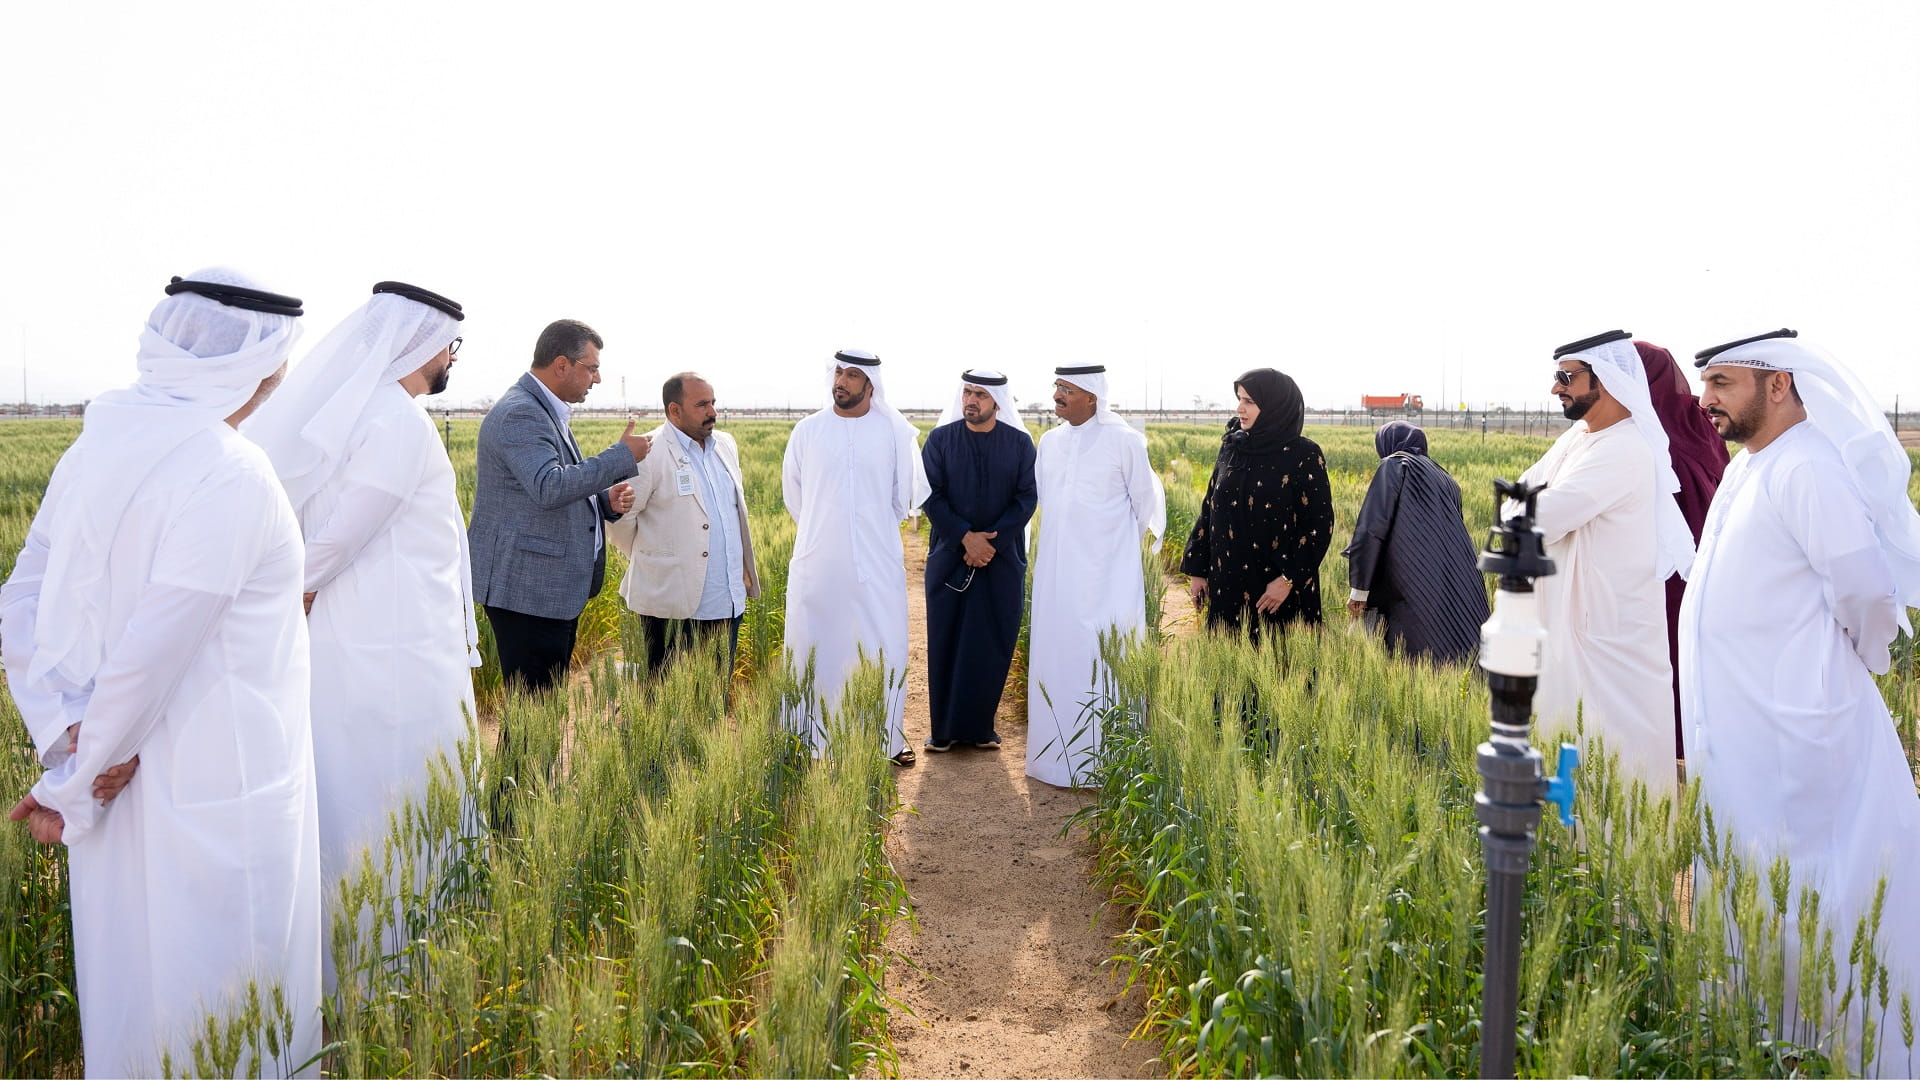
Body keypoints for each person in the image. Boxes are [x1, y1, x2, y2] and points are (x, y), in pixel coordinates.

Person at [1, 270, 323, 1076]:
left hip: (111, 774)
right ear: (262, 367)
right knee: (225, 999)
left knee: (133, 993)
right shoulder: (233, 472)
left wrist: (65, 741)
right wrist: (73, 783)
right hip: (216, 784)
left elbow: (21, 603)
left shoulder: (96, 447)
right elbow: (154, 652)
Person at [1684, 329, 1920, 1074]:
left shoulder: (1811, 465)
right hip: (1752, 735)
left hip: (1805, 734)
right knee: (1763, 901)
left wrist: (1825, 672)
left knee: (1823, 904)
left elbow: (1868, 595)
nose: (1706, 399)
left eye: (1722, 383)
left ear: (1777, 384)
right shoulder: (1751, 466)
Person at [242, 280, 479, 990]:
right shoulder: (396, 421)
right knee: (397, 783)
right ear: (420, 343)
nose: (452, 362)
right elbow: (341, 533)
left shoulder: (359, 411)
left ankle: (365, 944)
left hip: (370, 634)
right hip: (396, 647)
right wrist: (296, 589)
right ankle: (395, 953)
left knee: (363, 777)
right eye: (451, 347)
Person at [1515, 330, 1694, 796]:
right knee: (1571, 749)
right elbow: (1515, 502)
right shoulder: (1580, 439)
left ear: (1608, 380)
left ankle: (1622, 863)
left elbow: (1537, 516)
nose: (1556, 388)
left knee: (1615, 760)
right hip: (1574, 627)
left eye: (1566, 377)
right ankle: (1576, 857)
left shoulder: (1625, 448)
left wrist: (1527, 509)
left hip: (1609, 637)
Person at [469, 318, 647, 693]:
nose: (596, 379)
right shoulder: (523, 412)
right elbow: (548, 487)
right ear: (562, 364)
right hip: (528, 591)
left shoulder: (543, 409)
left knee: (540, 715)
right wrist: (619, 457)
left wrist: (603, 502)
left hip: (543, 590)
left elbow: (549, 484)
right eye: (592, 368)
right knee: (533, 718)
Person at [781, 349, 929, 764]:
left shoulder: (894, 432)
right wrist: (826, 532)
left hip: (876, 563)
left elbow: (905, 498)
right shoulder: (807, 431)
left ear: (871, 385)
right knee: (816, 646)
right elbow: (795, 497)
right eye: (838, 372)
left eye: (851, 375)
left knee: (881, 645)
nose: (841, 381)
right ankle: (808, 739)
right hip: (819, 562)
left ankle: (884, 738)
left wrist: (867, 531)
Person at [1028, 364, 1165, 787]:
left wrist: (1113, 552)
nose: (1057, 396)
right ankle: (1052, 761)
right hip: (1056, 577)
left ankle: (1106, 761)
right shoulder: (1049, 443)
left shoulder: (1124, 441)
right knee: (1058, 655)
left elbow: (1146, 505)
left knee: (1101, 657)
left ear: (1092, 395)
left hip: (1108, 580)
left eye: (1066, 389)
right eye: (1056, 388)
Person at [607, 372, 759, 675]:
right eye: (702, 404)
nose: (713, 412)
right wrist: (657, 561)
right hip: (670, 606)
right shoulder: (648, 452)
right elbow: (620, 520)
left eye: (713, 403)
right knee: (664, 702)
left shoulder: (726, 445)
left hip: (726, 600)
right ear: (674, 410)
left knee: (714, 699)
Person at [921, 369, 1037, 751]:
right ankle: (943, 732)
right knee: (947, 638)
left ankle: (980, 728)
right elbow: (931, 496)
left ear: (997, 403)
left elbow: (1027, 497)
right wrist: (965, 538)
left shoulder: (1020, 444)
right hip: (950, 556)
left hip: (1001, 559)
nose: (970, 401)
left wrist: (992, 543)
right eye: (967, 393)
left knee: (991, 640)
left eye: (980, 395)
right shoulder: (940, 440)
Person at [1181, 369, 1332, 638]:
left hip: (1277, 596)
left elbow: (1319, 526)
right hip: (1228, 587)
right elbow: (1210, 508)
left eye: (1249, 401)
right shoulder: (1233, 446)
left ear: (1274, 405)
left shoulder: (1303, 454)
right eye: (1239, 399)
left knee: (1280, 673)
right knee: (1228, 671)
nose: (1240, 408)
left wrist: (1288, 579)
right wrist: (1198, 570)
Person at [1637, 339, 1727, 753]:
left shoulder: (1645, 433)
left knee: (1664, 656)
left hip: (1663, 567)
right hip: (1710, 558)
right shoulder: (1700, 420)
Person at [1341, 421, 1489, 663]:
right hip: (1460, 578)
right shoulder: (1446, 478)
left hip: (1410, 580)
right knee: (1454, 643)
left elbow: (1371, 529)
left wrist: (1359, 589)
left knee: (1411, 653)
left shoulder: (1394, 465)